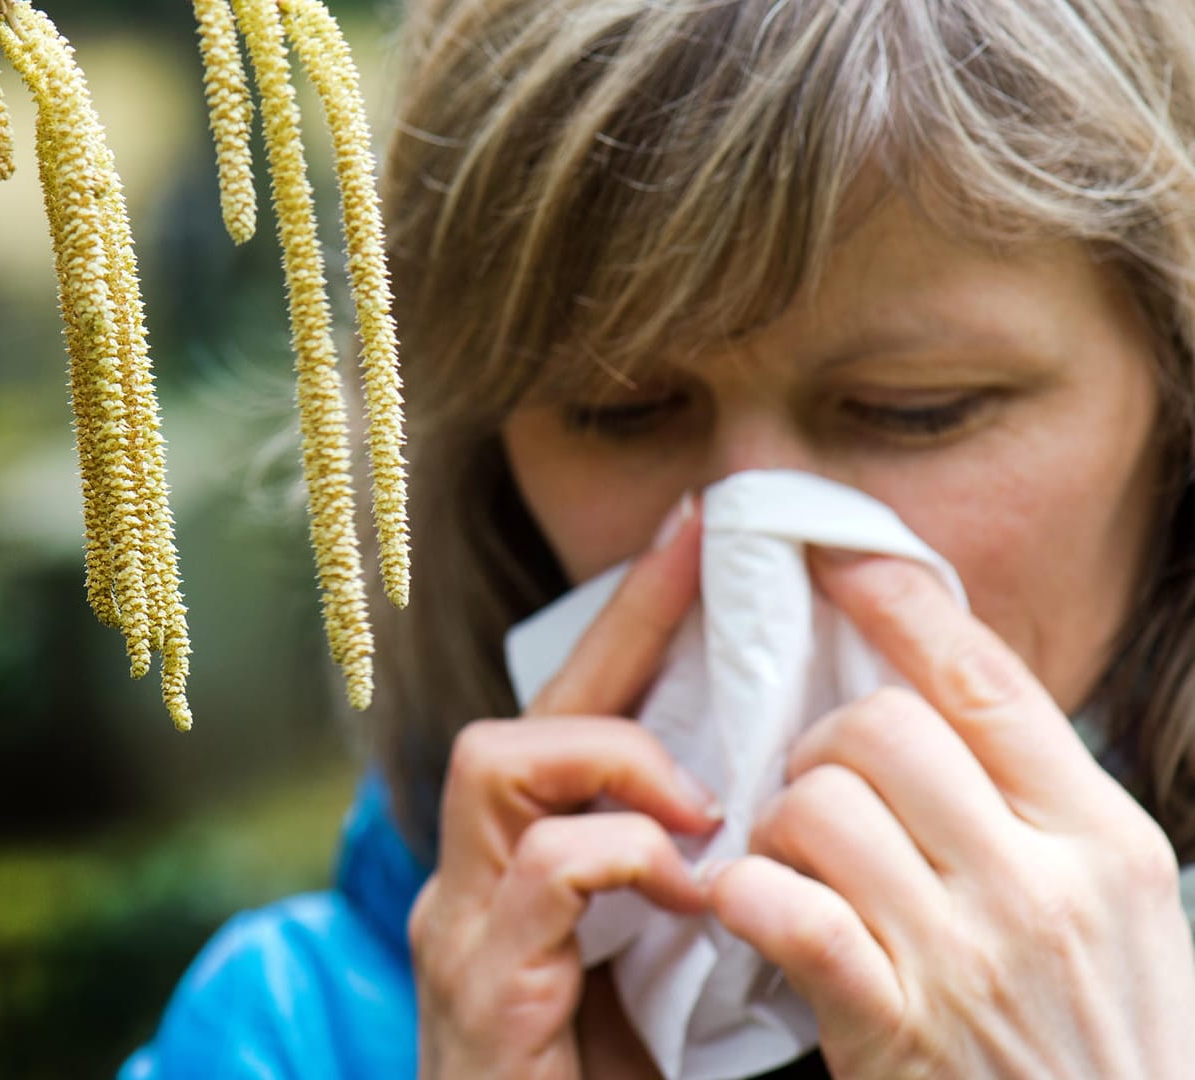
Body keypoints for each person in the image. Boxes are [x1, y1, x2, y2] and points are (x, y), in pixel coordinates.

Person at [120, 0, 1195, 1075]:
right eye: (617, 414)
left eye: (919, 408)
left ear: (1174, 408)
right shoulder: (293, 1035)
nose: (749, 546)